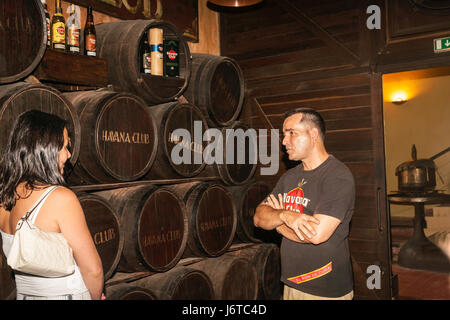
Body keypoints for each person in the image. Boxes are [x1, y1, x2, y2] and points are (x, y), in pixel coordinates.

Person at [0, 110, 103, 300]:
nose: (69, 154)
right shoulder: (60, 199)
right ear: (45, 149)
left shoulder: (4, 198)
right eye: (64, 147)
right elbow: (93, 270)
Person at [253, 107, 355, 300]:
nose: (284, 141)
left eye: (292, 133)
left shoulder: (337, 176)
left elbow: (316, 235)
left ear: (313, 134)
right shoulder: (289, 177)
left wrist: (277, 224)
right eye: (284, 134)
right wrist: (285, 216)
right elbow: (258, 217)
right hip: (291, 283)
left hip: (323, 289)